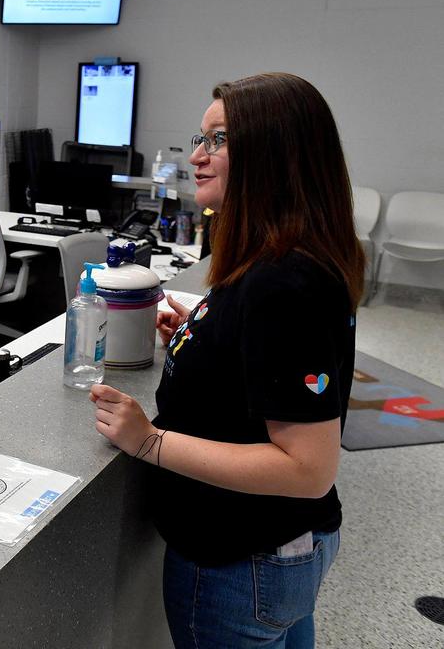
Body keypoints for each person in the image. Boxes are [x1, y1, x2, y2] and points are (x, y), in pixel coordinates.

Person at [90, 73, 365, 648]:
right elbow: (269, 370)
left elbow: (308, 470)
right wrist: (198, 340)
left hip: (243, 560)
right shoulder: (283, 258)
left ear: (272, 154)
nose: (196, 155)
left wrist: (148, 441)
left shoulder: (282, 281)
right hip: (282, 550)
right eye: (201, 137)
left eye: (218, 140)